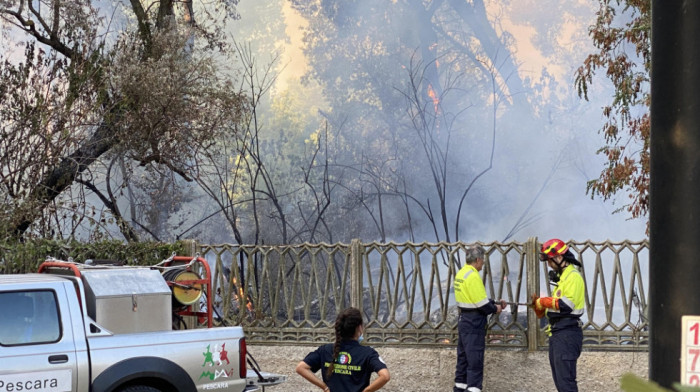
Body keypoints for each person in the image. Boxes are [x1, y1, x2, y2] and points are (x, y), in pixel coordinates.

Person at [531, 238, 585, 392]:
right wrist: (538, 307)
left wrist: (544, 301)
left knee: (566, 384)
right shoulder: (563, 279)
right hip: (558, 334)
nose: (548, 264)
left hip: (567, 335)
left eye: (549, 260)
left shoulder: (573, 277)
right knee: (561, 384)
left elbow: (566, 306)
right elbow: (553, 309)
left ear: (559, 257)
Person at [296, 307, 390, 392]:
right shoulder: (368, 353)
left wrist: (324, 387)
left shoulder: (325, 350)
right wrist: (367, 391)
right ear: (359, 328)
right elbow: (385, 376)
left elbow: (301, 368)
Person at [453, 245, 506, 392]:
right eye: (482, 260)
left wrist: (493, 301)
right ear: (477, 260)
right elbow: (481, 304)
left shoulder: (461, 273)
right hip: (474, 323)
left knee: (462, 361)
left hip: (464, 319)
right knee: (475, 362)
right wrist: (496, 308)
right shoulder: (473, 275)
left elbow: (473, 297)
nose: (483, 263)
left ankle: (459, 389)